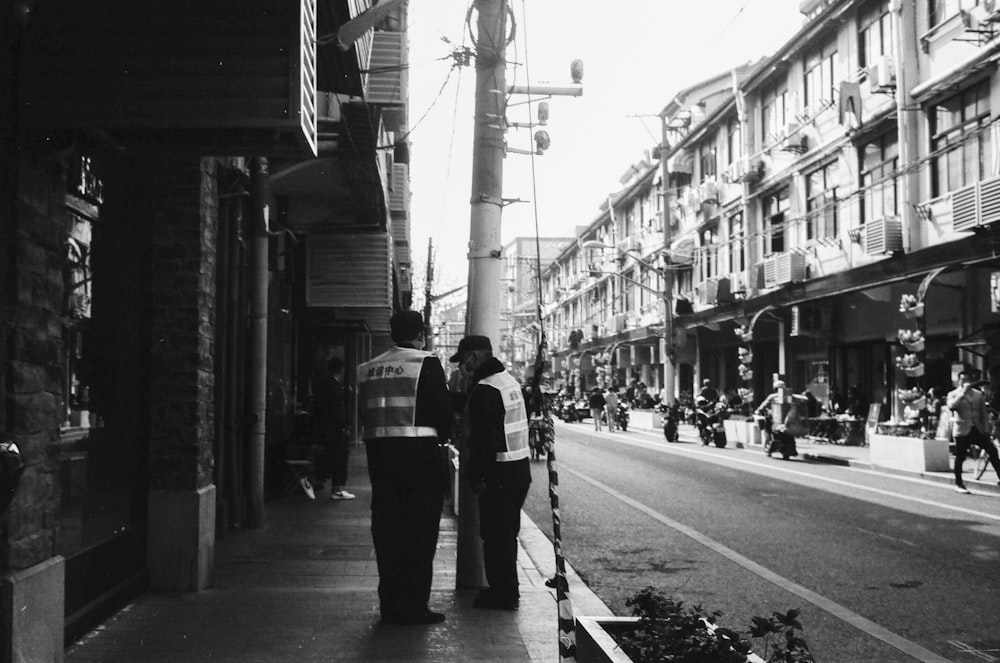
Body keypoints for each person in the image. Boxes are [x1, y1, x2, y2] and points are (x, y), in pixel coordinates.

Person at [357, 310, 453, 625]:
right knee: (419, 535)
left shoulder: (368, 368)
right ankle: (414, 605)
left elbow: (364, 416)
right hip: (421, 461)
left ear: (392, 332)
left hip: (381, 461)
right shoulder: (427, 362)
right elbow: (443, 414)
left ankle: (390, 604)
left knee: (387, 532)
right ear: (421, 334)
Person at [451, 335, 531, 611]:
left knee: (496, 536)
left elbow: (485, 439)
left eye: (462, 362)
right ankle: (506, 590)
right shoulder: (508, 381)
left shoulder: (486, 388)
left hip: (499, 472)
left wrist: (477, 476)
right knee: (506, 535)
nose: (462, 368)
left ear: (474, 357)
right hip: (518, 468)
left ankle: (503, 595)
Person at [306, 356, 354, 500]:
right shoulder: (335, 387)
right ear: (341, 369)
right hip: (335, 430)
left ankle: (327, 484)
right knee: (338, 458)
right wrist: (345, 426)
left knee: (331, 458)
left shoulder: (324, 385)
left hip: (326, 429)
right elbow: (338, 411)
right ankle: (323, 483)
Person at [946, 368, 1000, 493]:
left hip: (977, 428)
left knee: (992, 451)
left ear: (970, 381)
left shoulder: (978, 394)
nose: (964, 382)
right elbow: (951, 406)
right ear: (958, 381)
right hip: (962, 428)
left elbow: (983, 413)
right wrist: (962, 393)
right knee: (960, 456)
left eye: (966, 380)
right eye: (962, 380)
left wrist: (985, 428)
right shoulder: (953, 394)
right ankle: (959, 484)